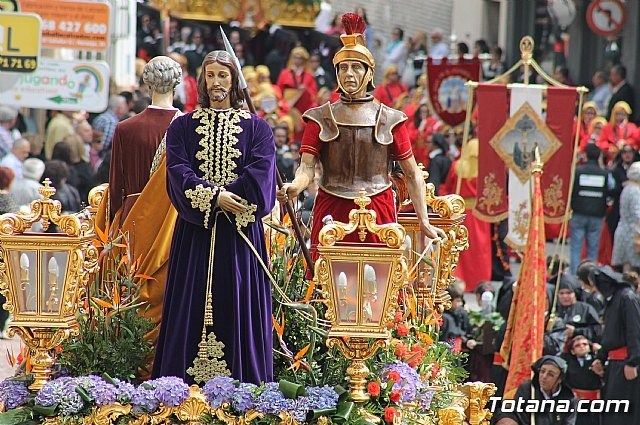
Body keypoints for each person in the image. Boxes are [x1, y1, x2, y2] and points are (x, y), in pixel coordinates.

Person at [276, 13, 445, 273]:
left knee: (381, 283)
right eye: (343, 68)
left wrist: (424, 220)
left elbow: (411, 172)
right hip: (332, 205)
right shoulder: (320, 117)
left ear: (369, 73)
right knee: (325, 284)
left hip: (378, 208)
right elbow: (307, 167)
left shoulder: (390, 118)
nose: (349, 74)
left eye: (356, 67)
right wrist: (296, 186)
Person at [152, 50, 276, 385]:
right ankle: (178, 392)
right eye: (210, 76)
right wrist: (213, 196)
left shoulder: (258, 129)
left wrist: (230, 196)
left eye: (223, 75)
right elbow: (177, 172)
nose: (216, 82)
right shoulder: (182, 127)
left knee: (239, 306)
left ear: (235, 80)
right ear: (202, 81)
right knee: (188, 307)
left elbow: (261, 174)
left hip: (240, 238)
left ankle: (245, 390)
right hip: (195, 236)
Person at [109, 56, 182, 226]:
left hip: (133, 218)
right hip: (172, 222)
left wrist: (114, 221)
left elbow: (116, 187)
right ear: (176, 85)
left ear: (148, 84)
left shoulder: (125, 128)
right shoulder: (190, 127)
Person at [589, 266, 640, 425]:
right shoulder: (611, 300)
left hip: (625, 363)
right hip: (613, 365)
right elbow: (610, 334)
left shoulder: (627, 297)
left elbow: (634, 330)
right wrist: (600, 358)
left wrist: (633, 361)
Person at [494, 355, 577, 425]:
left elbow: (569, 422)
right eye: (542, 371)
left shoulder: (569, 398)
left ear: (560, 379)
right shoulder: (528, 389)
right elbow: (516, 414)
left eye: (550, 374)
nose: (544, 376)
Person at [569, 144, 612, 274]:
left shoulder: (578, 171)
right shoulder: (604, 174)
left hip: (579, 213)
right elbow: (612, 189)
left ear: (585, 155)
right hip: (597, 215)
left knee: (576, 247)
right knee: (593, 249)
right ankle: (590, 276)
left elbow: (570, 189)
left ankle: (575, 275)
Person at [611, 161, 640, 272]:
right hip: (634, 232)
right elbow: (637, 214)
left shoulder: (627, 188)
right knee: (632, 263)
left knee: (627, 263)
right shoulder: (635, 191)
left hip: (624, 229)